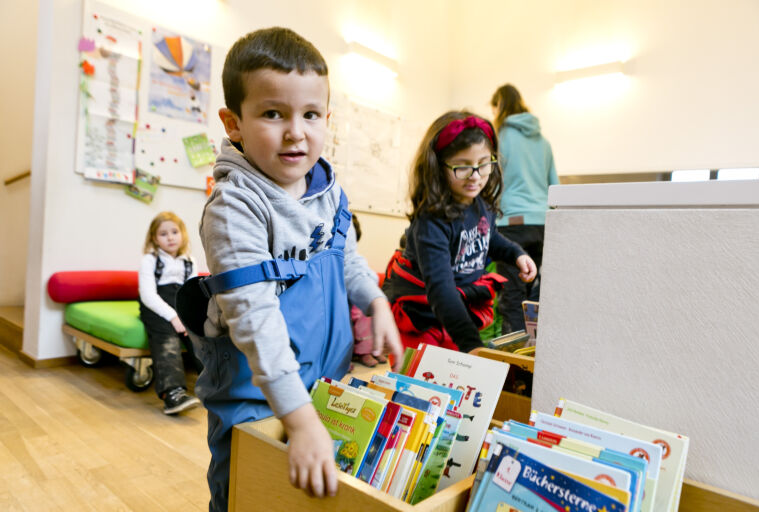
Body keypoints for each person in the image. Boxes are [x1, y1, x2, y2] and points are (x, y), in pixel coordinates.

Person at [174, 27, 403, 511]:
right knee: (247, 492)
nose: (296, 131)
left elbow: (346, 259)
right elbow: (254, 318)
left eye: (310, 114)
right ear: (234, 123)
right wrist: (298, 420)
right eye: (273, 113)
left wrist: (376, 301)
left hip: (322, 385)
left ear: (327, 120)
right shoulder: (234, 206)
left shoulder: (330, 193)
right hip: (255, 393)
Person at [381, 111, 537, 353]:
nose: (475, 176)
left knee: (457, 371)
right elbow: (441, 290)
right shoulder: (431, 221)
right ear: (438, 167)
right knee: (419, 372)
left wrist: (516, 254)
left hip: (456, 307)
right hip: (421, 314)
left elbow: (489, 238)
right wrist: (471, 344)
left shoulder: (481, 204)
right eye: (462, 167)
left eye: (483, 164)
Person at [490, 84, 559, 334]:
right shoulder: (544, 142)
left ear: (499, 105)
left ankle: (512, 355)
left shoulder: (499, 136)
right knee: (535, 296)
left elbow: (492, 181)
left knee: (512, 296)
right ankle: (535, 351)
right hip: (543, 224)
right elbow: (555, 186)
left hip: (512, 223)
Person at [138, 211, 201, 415]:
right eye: (163, 234)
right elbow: (148, 295)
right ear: (154, 238)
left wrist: (187, 318)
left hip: (181, 305)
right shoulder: (150, 260)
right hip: (156, 307)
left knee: (201, 336)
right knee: (167, 339)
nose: (170, 237)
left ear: (183, 234)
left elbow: (191, 292)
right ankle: (172, 393)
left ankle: (216, 384)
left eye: (174, 232)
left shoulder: (189, 261)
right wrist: (173, 317)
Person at [349, 213, 388, 368]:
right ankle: (351, 354)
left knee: (367, 310)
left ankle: (368, 350)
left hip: (350, 298)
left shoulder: (354, 259)